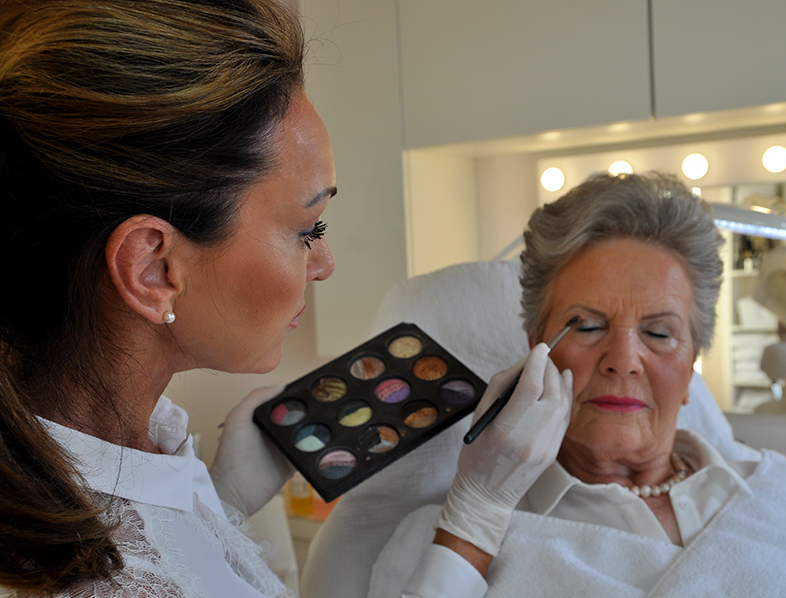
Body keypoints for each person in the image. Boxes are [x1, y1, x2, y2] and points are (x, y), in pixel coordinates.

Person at [0, 1, 570, 596]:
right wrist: (475, 520)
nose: (324, 265)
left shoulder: (135, 443)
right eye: (307, 230)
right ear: (153, 268)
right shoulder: (94, 580)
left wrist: (220, 502)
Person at [367, 173, 786, 597]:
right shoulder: (447, 542)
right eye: (587, 326)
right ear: (536, 348)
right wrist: (474, 518)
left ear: (692, 364)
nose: (623, 361)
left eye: (659, 333)